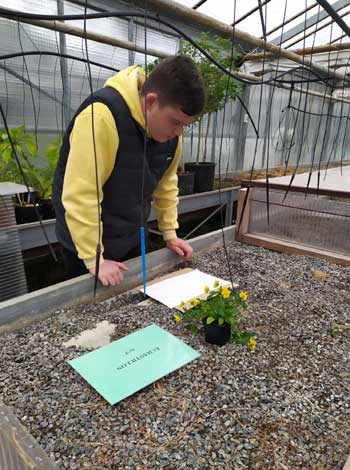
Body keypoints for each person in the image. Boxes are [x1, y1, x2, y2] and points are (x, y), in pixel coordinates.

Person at [53, 55, 206, 287]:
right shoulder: (102, 117)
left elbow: (166, 183)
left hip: (130, 237)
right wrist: (95, 259)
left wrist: (170, 233)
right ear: (151, 102)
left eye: (185, 125)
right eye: (175, 121)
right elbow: (81, 194)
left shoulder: (171, 136)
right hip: (85, 250)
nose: (179, 132)